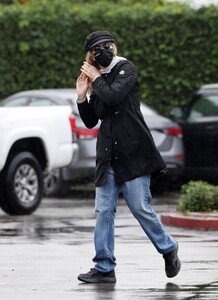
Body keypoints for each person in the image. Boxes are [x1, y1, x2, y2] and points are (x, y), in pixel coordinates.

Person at [76, 31, 181, 283]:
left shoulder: (126, 68)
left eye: (107, 45)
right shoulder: (95, 78)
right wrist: (82, 96)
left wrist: (96, 79)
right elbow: (92, 120)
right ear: (90, 54)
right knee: (103, 210)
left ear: (114, 46)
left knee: (139, 207)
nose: (103, 50)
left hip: (134, 152)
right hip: (107, 154)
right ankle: (104, 267)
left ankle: (168, 248)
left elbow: (113, 96)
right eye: (97, 48)